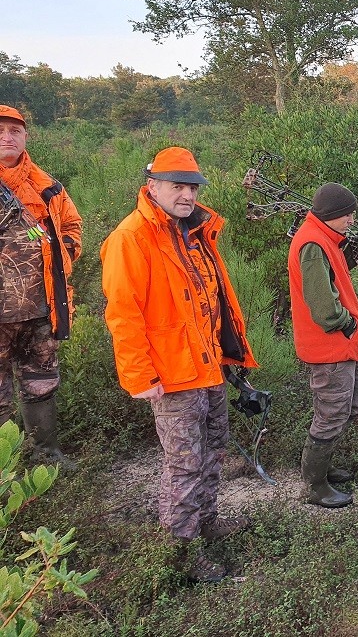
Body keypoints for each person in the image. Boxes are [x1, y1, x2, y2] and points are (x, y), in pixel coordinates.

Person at [101, 146, 258, 583]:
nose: (187, 194)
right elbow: (122, 312)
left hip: (207, 368)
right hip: (171, 376)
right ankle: (181, 553)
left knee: (213, 452)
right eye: (178, 186)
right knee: (184, 463)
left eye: (192, 186)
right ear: (152, 186)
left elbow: (210, 303)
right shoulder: (131, 238)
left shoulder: (193, 232)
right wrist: (138, 376)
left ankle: (206, 523)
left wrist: (227, 355)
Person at [0, 105, 81, 469]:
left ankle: (46, 456)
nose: (7, 136)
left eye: (15, 130)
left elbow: (72, 228)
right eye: (0, 130)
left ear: (26, 137)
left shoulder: (48, 187)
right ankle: (7, 467)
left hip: (39, 311)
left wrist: (59, 250)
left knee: (41, 383)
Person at [288, 182, 358, 509]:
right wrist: (347, 324)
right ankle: (315, 484)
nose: (352, 219)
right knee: (332, 414)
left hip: (344, 346)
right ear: (332, 215)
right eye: (347, 215)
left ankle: (321, 465)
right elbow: (323, 309)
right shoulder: (312, 244)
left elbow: (329, 283)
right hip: (331, 347)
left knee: (357, 403)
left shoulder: (325, 239)